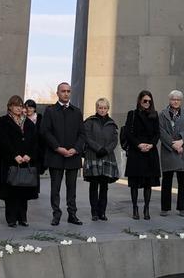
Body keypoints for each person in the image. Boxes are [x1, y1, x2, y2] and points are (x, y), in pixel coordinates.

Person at [40, 82, 85, 226]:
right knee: (56, 187)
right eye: (63, 91)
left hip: (73, 156)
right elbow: (45, 132)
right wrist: (57, 148)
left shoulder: (77, 112)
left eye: (68, 91)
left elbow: (82, 134)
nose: (66, 93)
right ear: (58, 93)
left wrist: (75, 149)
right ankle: (56, 214)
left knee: (72, 187)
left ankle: (72, 214)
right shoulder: (50, 111)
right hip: (56, 155)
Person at [0, 95, 39, 227]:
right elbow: (3, 141)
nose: (19, 108)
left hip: (26, 161)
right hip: (10, 161)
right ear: (10, 106)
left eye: (21, 106)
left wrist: (29, 155)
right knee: (11, 190)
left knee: (23, 190)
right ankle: (11, 218)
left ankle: (22, 217)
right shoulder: (3, 121)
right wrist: (14, 155)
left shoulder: (29, 123)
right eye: (16, 106)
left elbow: (35, 142)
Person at [124, 90, 160, 220]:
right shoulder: (132, 114)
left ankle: (146, 208)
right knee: (134, 182)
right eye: (145, 100)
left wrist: (151, 145)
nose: (147, 103)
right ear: (140, 101)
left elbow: (157, 133)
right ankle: (135, 207)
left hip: (150, 152)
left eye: (149, 101)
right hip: (136, 151)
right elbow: (128, 133)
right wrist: (139, 145)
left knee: (148, 183)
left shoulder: (154, 115)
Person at [158, 89, 184, 217]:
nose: (175, 101)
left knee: (183, 182)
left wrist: (181, 141)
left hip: (183, 152)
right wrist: (173, 144)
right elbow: (161, 132)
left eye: (178, 99)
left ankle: (182, 207)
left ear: (181, 101)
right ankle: (165, 208)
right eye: (173, 99)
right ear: (170, 100)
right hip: (168, 151)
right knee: (167, 182)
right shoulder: (162, 114)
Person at [83, 98, 119, 221]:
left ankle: (102, 212)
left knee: (104, 186)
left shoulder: (112, 123)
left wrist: (106, 150)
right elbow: (87, 137)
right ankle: (94, 213)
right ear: (96, 108)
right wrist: (98, 149)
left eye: (105, 108)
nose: (102, 110)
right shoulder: (89, 121)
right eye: (100, 107)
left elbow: (114, 140)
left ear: (108, 109)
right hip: (93, 156)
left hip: (107, 157)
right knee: (94, 186)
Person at [25, 98, 45, 174]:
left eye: (30, 108)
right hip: (26, 151)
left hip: (38, 151)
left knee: (35, 174)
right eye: (26, 108)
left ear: (34, 109)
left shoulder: (40, 119)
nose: (28, 110)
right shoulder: (22, 119)